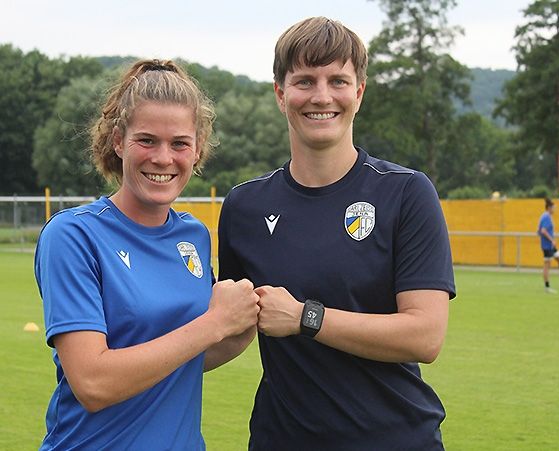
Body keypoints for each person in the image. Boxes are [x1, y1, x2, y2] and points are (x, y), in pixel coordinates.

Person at [218, 17, 455, 451]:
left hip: (395, 440)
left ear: (359, 92)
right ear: (280, 94)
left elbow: (425, 335)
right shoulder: (244, 206)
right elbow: (228, 330)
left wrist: (306, 318)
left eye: (338, 80)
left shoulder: (406, 192)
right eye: (304, 81)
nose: (321, 96)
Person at [34, 59, 260, 450]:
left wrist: (245, 322)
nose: (162, 158)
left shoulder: (193, 235)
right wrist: (215, 322)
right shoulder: (73, 235)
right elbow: (92, 383)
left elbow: (185, 359)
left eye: (179, 144)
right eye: (147, 140)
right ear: (118, 141)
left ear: (197, 149)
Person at [538, 198, 559, 292]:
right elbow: (543, 231)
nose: (555, 209)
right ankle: (547, 287)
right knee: (547, 265)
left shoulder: (547, 216)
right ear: (549, 208)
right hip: (547, 246)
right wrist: (552, 240)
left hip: (551, 246)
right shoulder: (546, 217)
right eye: (553, 207)